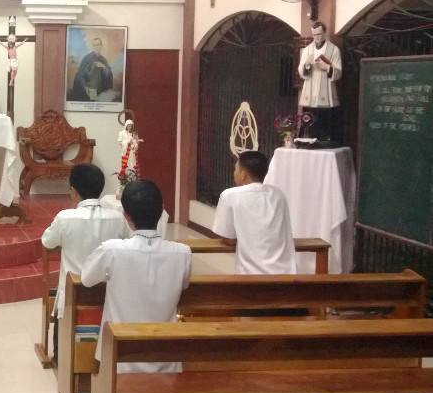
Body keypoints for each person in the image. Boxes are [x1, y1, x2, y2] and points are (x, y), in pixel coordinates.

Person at [81, 180, 191, 372]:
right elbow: (184, 285)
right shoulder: (182, 253)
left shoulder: (112, 250)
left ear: (126, 215)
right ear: (161, 210)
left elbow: (86, 279)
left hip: (119, 358)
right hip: (166, 359)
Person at [41, 163, 129, 362]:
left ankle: (61, 359)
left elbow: (47, 241)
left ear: (73, 190)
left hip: (74, 293)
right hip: (106, 292)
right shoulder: (116, 218)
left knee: (64, 307)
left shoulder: (65, 218)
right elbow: (126, 241)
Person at [213, 151, 297, 275]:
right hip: (285, 273)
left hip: (250, 275)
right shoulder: (278, 194)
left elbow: (228, 239)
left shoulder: (230, 195)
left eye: (235, 169)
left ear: (243, 174)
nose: (234, 173)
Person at [298, 21, 343, 144]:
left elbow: (338, 72)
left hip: (326, 92)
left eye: (319, 34)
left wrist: (327, 67)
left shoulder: (334, 50)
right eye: (314, 35)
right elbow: (301, 70)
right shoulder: (307, 50)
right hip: (310, 92)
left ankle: (325, 141)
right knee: (309, 120)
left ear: (324, 33)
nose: (316, 37)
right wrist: (306, 67)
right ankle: (307, 140)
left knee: (325, 121)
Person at [68, 37, 115, 102]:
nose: (96, 47)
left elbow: (108, 75)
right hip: (90, 89)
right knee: (92, 104)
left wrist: (104, 67)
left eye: (98, 45)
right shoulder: (87, 58)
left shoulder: (104, 60)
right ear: (92, 47)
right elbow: (80, 75)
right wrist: (86, 87)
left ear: (101, 46)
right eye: (94, 45)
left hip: (101, 91)